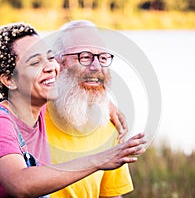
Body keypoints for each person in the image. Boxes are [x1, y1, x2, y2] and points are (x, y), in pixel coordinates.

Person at [0, 22, 146, 197]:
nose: (49, 67)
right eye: (35, 62)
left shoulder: (37, 111)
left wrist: (102, 101)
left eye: (49, 57)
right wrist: (99, 160)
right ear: (9, 80)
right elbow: (20, 184)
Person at [45, 20, 135, 197]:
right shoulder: (31, 114)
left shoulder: (109, 125)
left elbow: (110, 195)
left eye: (103, 58)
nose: (96, 67)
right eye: (84, 57)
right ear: (58, 63)